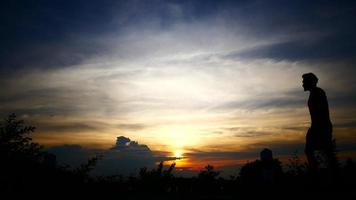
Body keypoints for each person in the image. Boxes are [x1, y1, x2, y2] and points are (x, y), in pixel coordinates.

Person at [302, 73, 333, 173]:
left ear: (310, 82)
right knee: (313, 151)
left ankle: (322, 176)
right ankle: (318, 173)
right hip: (317, 127)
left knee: (322, 153)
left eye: (304, 81)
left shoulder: (318, 93)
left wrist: (316, 129)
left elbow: (320, 113)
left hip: (321, 127)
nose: (302, 84)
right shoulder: (314, 93)